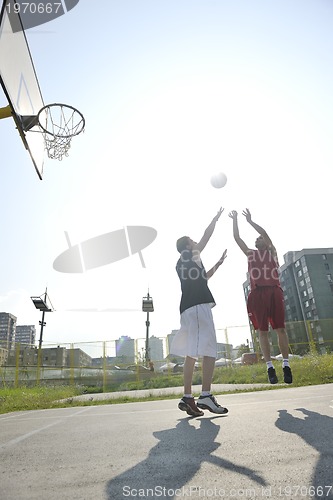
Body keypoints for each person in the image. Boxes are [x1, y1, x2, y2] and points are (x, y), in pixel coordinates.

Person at [170, 207, 228, 417]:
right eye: (193, 241)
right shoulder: (191, 254)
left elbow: (203, 279)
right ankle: (205, 395)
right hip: (197, 307)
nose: (197, 243)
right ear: (188, 245)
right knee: (209, 349)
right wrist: (215, 218)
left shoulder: (183, 263)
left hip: (188, 308)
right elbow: (207, 236)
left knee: (192, 353)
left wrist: (218, 265)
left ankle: (188, 397)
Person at [228, 208, 292, 385]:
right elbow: (237, 238)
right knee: (262, 332)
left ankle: (286, 365)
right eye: (256, 239)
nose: (258, 238)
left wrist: (250, 221)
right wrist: (235, 220)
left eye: (260, 238)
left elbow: (264, 233)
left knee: (281, 329)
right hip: (258, 293)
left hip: (273, 290)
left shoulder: (271, 251)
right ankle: (270, 367)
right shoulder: (251, 253)